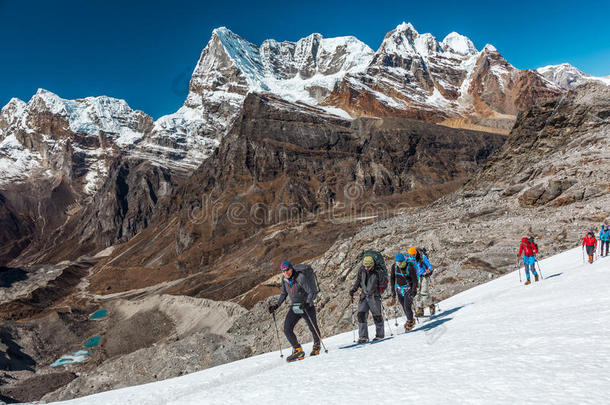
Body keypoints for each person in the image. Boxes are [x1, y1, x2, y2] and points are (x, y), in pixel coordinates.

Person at [268, 261, 321, 362]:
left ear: (291, 268)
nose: (286, 272)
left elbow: (311, 292)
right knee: (287, 329)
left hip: (306, 306)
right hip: (295, 307)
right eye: (283, 271)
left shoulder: (301, 277)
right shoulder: (284, 279)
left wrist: (307, 302)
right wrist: (276, 306)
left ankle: (317, 345)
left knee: (312, 326)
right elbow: (284, 294)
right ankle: (297, 350)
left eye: (287, 269)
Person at [349, 255, 388, 343]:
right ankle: (363, 337)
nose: (366, 268)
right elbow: (358, 281)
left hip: (374, 297)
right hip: (364, 296)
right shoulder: (361, 270)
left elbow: (383, 285)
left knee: (377, 316)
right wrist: (353, 290)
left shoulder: (378, 271)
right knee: (361, 315)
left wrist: (378, 292)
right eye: (365, 266)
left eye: (368, 266)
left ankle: (380, 335)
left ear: (372, 265)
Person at [388, 250, 418, 331]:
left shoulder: (410, 267)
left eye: (400, 262)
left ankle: (410, 321)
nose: (398, 264)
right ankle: (410, 319)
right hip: (399, 289)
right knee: (403, 306)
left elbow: (415, 280)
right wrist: (392, 290)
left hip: (409, 289)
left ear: (403, 261)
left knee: (407, 306)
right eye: (397, 262)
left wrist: (413, 291)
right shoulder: (394, 267)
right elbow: (392, 278)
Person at [414, 248, 435, 316]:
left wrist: (428, 271)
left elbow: (430, 267)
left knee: (424, 293)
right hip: (416, 278)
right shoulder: (411, 260)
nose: (413, 256)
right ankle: (420, 309)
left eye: (414, 254)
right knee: (417, 294)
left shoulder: (422, 257)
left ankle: (431, 305)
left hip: (424, 277)